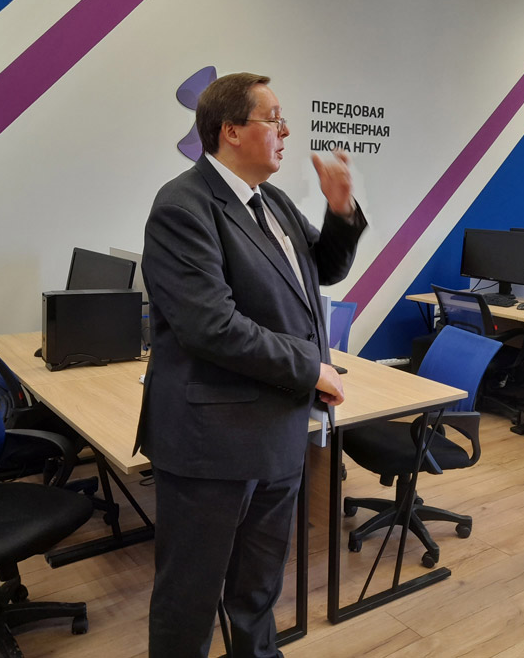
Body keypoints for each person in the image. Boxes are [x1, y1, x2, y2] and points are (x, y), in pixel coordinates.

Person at [136, 72, 367, 657]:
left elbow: (325, 269)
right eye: (274, 119)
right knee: (189, 597)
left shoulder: (274, 201)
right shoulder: (182, 206)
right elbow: (210, 325)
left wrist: (340, 210)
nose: (286, 131)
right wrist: (310, 367)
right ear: (231, 131)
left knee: (258, 590)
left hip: (277, 431)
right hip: (211, 442)